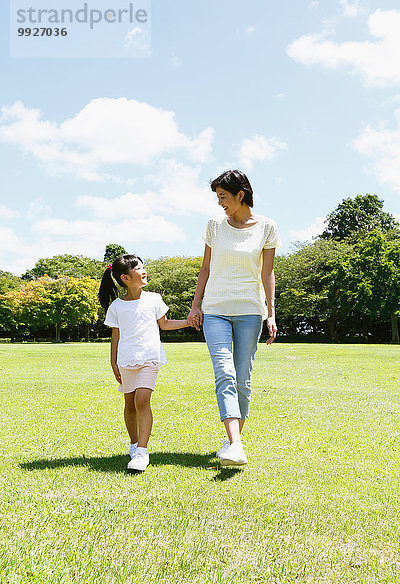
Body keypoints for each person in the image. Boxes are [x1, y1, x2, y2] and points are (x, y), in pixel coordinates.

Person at [187, 170, 281, 466]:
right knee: (225, 372)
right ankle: (237, 445)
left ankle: (231, 442)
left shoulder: (267, 226)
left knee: (242, 379)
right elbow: (205, 268)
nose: (219, 203)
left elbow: (267, 273)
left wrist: (271, 313)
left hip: (250, 311)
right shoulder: (215, 225)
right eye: (217, 198)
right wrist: (195, 306)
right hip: (215, 310)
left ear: (241, 195)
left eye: (223, 197)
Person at [99, 254, 193, 472]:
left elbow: (165, 324)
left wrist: (188, 322)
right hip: (126, 360)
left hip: (150, 357)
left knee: (142, 400)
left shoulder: (154, 299)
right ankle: (133, 444)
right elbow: (116, 336)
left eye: (143, 266)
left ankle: (142, 450)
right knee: (130, 403)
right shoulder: (117, 306)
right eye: (138, 268)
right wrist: (113, 362)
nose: (144, 271)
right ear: (125, 277)